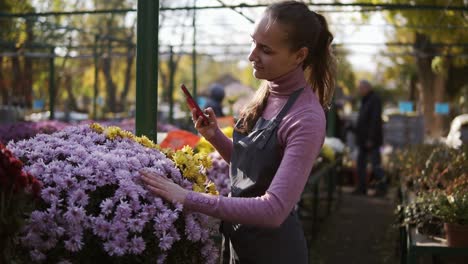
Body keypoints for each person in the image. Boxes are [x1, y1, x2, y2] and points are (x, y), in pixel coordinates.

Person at [140, 1, 336, 263]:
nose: (252, 55)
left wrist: (187, 198)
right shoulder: (269, 91)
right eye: (253, 42)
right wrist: (215, 136)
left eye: (265, 49)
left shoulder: (306, 118)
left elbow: (274, 209)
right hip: (239, 244)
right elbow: (253, 170)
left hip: (273, 253)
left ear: (299, 56)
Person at [353, 79, 386, 196]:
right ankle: (361, 188)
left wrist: (371, 139)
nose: (359, 90)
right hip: (362, 139)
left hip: (371, 140)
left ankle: (382, 189)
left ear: (368, 88)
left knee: (375, 165)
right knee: (360, 165)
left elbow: (375, 121)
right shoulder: (365, 100)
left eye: (361, 88)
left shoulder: (374, 100)